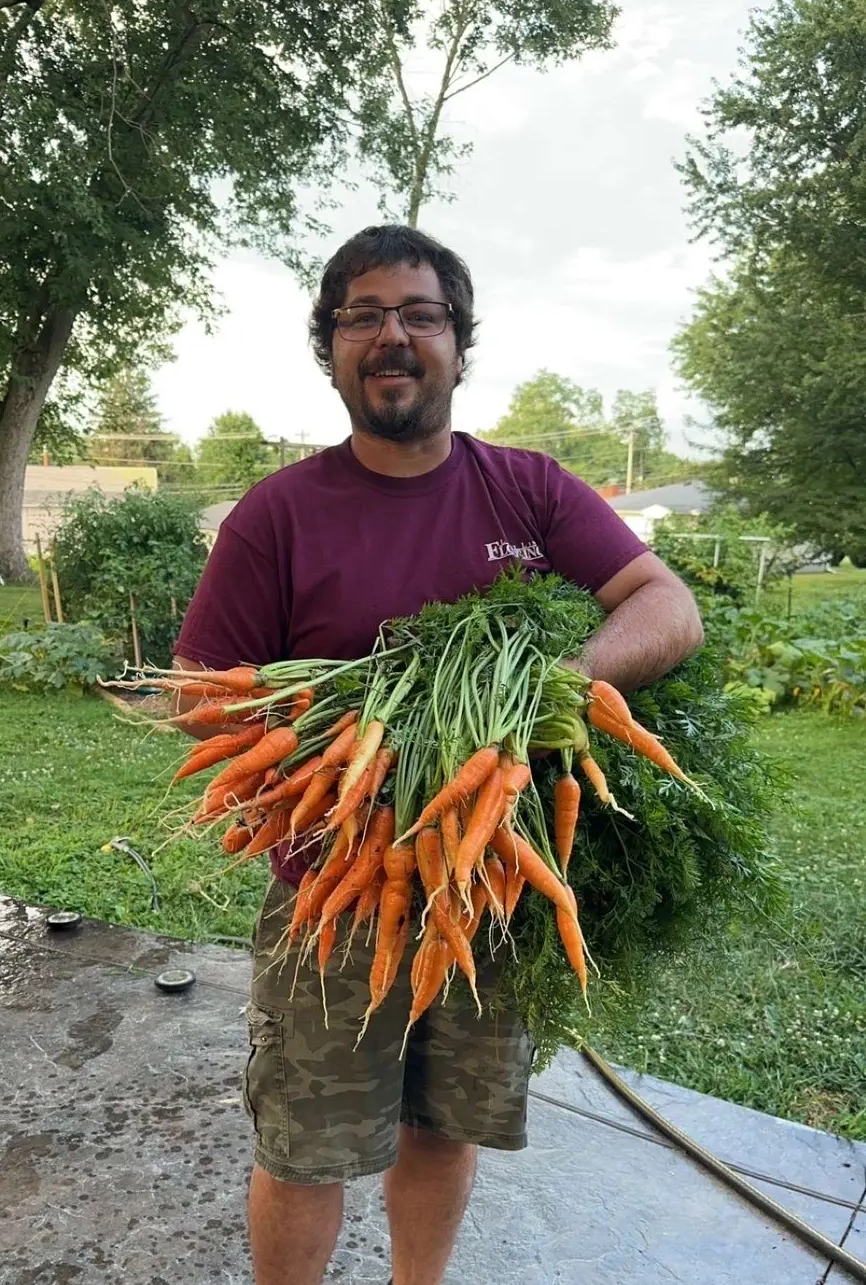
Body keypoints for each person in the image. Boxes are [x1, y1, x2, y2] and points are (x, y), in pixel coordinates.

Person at [173, 224, 703, 1285]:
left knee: (442, 1128)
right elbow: (201, 698)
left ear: (459, 345)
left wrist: (556, 686)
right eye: (361, 315)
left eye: (419, 314)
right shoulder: (275, 515)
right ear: (328, 348)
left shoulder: (529, 489)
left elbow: (666, 606)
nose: (391, 336)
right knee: (305, 1149)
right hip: (332, 890)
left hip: (488, 887)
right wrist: (334, 741)